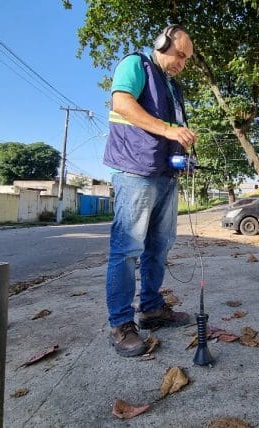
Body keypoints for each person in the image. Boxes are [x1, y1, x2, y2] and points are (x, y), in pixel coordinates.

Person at [103, 25, 196, 357]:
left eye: (186, 60)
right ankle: (121, 325)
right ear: (162, 43)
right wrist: (170, 129)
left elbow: (171, 132)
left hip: (165, 175)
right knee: (127, 248)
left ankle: (153, 310)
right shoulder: (136, 65)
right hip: (135, 172)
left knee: (159, 246)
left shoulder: (173, 88)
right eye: (179, 54)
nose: (181, 63)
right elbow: (122, 103)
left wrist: (184, 155)